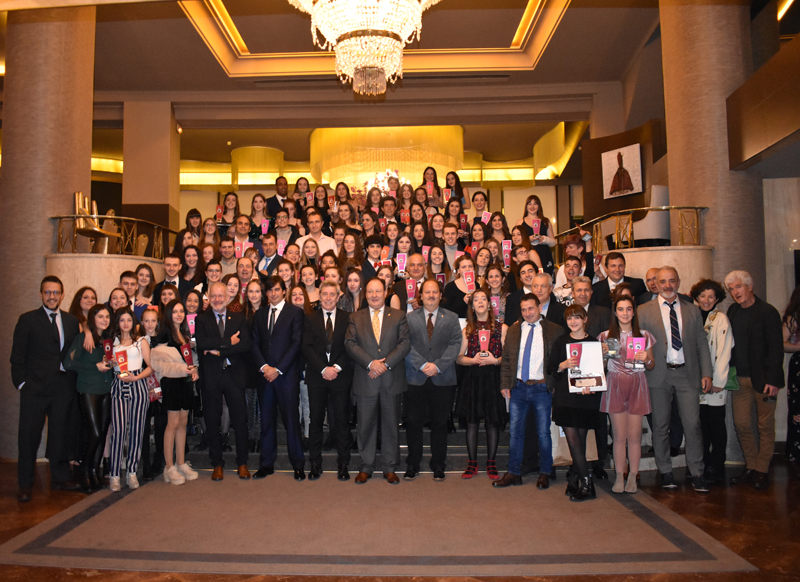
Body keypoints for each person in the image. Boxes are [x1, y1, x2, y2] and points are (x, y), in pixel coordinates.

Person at [638, 266, 712, 492]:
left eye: (672, 281)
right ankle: (665, 471)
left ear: (678, 282)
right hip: (657, 375)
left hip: (687, 375)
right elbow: (639, 344)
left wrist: (707, 373)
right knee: (660, 426)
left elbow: (701, 343)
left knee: (693, 424)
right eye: (663, 281)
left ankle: (697, 472)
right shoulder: (643, 310)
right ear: (656, 284)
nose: (667, 285)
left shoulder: (692, 309)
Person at [11, 276, 82, 501]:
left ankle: (60, 477)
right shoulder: (28, 320)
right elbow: (17, 356)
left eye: (56, 292)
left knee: (60, 434)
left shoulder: (71, 321)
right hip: (35, 389)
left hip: (62, 388)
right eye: (48, 292)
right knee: (28, 437)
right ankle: (25, 484)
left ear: (62, 295)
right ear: (41, 294)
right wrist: (22, 383)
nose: (52, 296)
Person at [344, 277, 411, 484]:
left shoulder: (399, 316)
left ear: (385, 293)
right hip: (366, 379)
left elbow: (404, 343)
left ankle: (389, 467)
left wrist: (385, 364)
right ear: (365, 294)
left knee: (391, 425)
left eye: (378, 291)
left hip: (391, 379)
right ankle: (366, 466)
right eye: (370, 291)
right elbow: (350, 343)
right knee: (365, 425)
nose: (374, 295)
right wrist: (370, 363)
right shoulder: (356, 317)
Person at [494, 293, 564, 489]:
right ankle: (513, 473)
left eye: (531, 308)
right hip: (518, 388)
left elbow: (558, 361)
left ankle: (545, 472)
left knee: (543, 433)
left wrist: (555, 386)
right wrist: (505, 384)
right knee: (515, 432)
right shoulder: (515, 330)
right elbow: (507, 359)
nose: (527, 313)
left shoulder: (554, 330)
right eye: (523, 310)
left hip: (542, 388)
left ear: (539, 308)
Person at [725, 270, 785, 490]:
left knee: (765, 426)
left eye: (738, 286)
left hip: (765, 381)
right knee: (742, 424)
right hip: (739, 380)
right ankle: (751, 466)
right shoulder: (732, 311)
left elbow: (776, 348)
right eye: (731, 289)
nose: (735, 292)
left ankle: (762, 470)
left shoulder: (768, 312)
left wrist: (774, 380)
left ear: (750, 286)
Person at [403, 280, 463, 481]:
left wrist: (438, 365)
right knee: (413, 423)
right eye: (427, 292)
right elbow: (405, 345)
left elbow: (455, 344)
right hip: (415, 378)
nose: (430, 295)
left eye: (434, 292)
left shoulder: (451, 317)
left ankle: (438, 464)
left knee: (440, 423)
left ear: (440, 295)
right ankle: (413, 464)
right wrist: (422, 364)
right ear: (420, 295)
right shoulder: (409, 318)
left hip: (442, 378)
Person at [194, 281, 252, 481]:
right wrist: (228, 342)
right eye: (213, 296)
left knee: (240, 420)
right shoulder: (201, 320)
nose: (217, 299)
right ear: (208, 298)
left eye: (221, 296)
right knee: (212, 421)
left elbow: (245, 345)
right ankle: (217, 463)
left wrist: (218, 350)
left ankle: (242, 462)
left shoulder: (239, 318)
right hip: (211, 377)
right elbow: (202, 343)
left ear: (228, 297)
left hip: (234, 375)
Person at [251, 276, 306, 481]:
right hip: (265, 376)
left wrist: (278, 369)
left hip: (286, 376)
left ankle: (298, 465)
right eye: (269, 290)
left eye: (276, 289)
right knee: (266, 421)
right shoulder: (259, 314)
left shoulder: (295, 313)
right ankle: (266, 464)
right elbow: (254, 343)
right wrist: (265, 367)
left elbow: (296, 344)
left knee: (291, 421)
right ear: (265, 293)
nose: (273, 293)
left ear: (284, 291)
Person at [598, 296, 655, 494]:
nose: (625, 313)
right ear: (615, 312)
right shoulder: (606, 336)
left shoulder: (644, 335)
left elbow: (651, 365)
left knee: (634, 436)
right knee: (619, 436)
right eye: (621, 309)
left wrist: (646, 359)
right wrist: (602, 355)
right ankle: (619, 475)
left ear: (633, 312)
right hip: (615, 384)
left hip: (637, 384)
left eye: (628, 309)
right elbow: (601, 367)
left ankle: (633, 475)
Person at [301, 281, 354, 481]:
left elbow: (350, 346)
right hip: (317, 376)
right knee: (315, 421)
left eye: (332, 294)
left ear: (338, 296)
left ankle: (343, 464)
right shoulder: (309, 318)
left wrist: (336, 368)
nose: (328, 298)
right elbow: (306, 347)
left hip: (340, 376)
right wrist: (323, 369)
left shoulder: (348, 318)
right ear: (320, 296)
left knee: (341, 421)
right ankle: (315, 464)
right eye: (325, 294)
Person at [549, 304, 603, 501]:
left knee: (579, 442)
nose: (573, 321)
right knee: (573, 441)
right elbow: (551, 368)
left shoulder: (593, 343)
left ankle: (574, 478)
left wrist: (593, 385)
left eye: (577, 317)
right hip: (566, 398)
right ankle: (587, 483)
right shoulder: (561, 341)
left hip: (586, 398)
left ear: (585, 319)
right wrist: (563, 365)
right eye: (570, 318)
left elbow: (599, 372)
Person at [456, 289, 507, 480]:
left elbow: (508, 357)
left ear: (489, 304)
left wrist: (495, 360)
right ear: (472, 305)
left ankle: (491, 463)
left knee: (492, 422)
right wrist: (473, 360)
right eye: (475, 299)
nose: (479, 302)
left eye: (483, 299)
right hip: (473, 379)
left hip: (493, 378)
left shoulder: (502, 328)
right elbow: (459, 358)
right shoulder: (467, 330)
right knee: (472, 422)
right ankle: (472, 463)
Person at [63, 304, 114, 492]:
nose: (104, 320)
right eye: (100, 316)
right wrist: (95, 367)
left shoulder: (108, 339)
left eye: (107, 316)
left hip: (106, 389)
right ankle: (84, 471)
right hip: (88, 389)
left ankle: (94, 471)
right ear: (93, 318)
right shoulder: (83, 338)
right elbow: (68, 363)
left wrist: (111, 363)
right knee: (95, 433)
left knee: (103, 432)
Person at [149, 300, 200, 485]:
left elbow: (191, 360)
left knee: (183, 422)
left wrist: (194, 370)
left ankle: (180, 462)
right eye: (175, 311)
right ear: (168, 314)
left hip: (185, 383)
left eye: (181, 311)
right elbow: (157, 364)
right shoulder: (163, 336)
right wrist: (182, 369)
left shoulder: (184, 335)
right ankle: (169, 467)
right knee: (172, 423)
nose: (179, 314)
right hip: (171, 383)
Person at [690, 278, 735, 485]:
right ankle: (703, 464)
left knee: (716, 425)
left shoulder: (721, 319)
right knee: (701, 426)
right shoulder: (693, 316)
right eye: (702, 296)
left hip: (715, 382)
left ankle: (717, 465)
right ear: (696, 297)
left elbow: (725, 351)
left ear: (717, 299)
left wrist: (719, 380)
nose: (706, 300)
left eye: (711, 297)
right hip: (695, 381)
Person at [108, 306, 153, 492]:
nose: (125, 323)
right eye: (122, 320)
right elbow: (107, 363)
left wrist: (137, 377)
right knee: (118, 430)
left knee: (136, 429)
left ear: (133, 322)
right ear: (117, 322)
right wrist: (110, 363)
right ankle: (114, 474)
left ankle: (132, 472)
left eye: (128, 320)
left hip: (138, 384)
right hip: (119, 385)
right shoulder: (112, 342)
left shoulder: (141, 341)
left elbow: (151, 366)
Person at [782, 285, 800, 480]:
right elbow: (782, 343)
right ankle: (796, 451)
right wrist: (798, 346)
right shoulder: (793, 317)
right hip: (799, 364)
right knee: (797, 409)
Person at [515, 195, 556, 276]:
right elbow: (516, 241)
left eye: (535, 204)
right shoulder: (520, 222)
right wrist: (528, 239)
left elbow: (553, 242)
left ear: (539, 206)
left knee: (546, 278)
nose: (532, 206)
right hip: (528, 255)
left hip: (544, 255)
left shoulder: (545, 221)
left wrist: (544, 239)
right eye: (529, 204)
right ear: (526, 206)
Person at [442, 255, 476, 319]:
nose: (467, 269)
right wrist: (463, 302)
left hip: (474, 322)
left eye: (470, 266)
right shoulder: (450, 287)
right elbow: (446, 311)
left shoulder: (477, 285)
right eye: (464, 267)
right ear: (458, 270)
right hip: (456, 322)